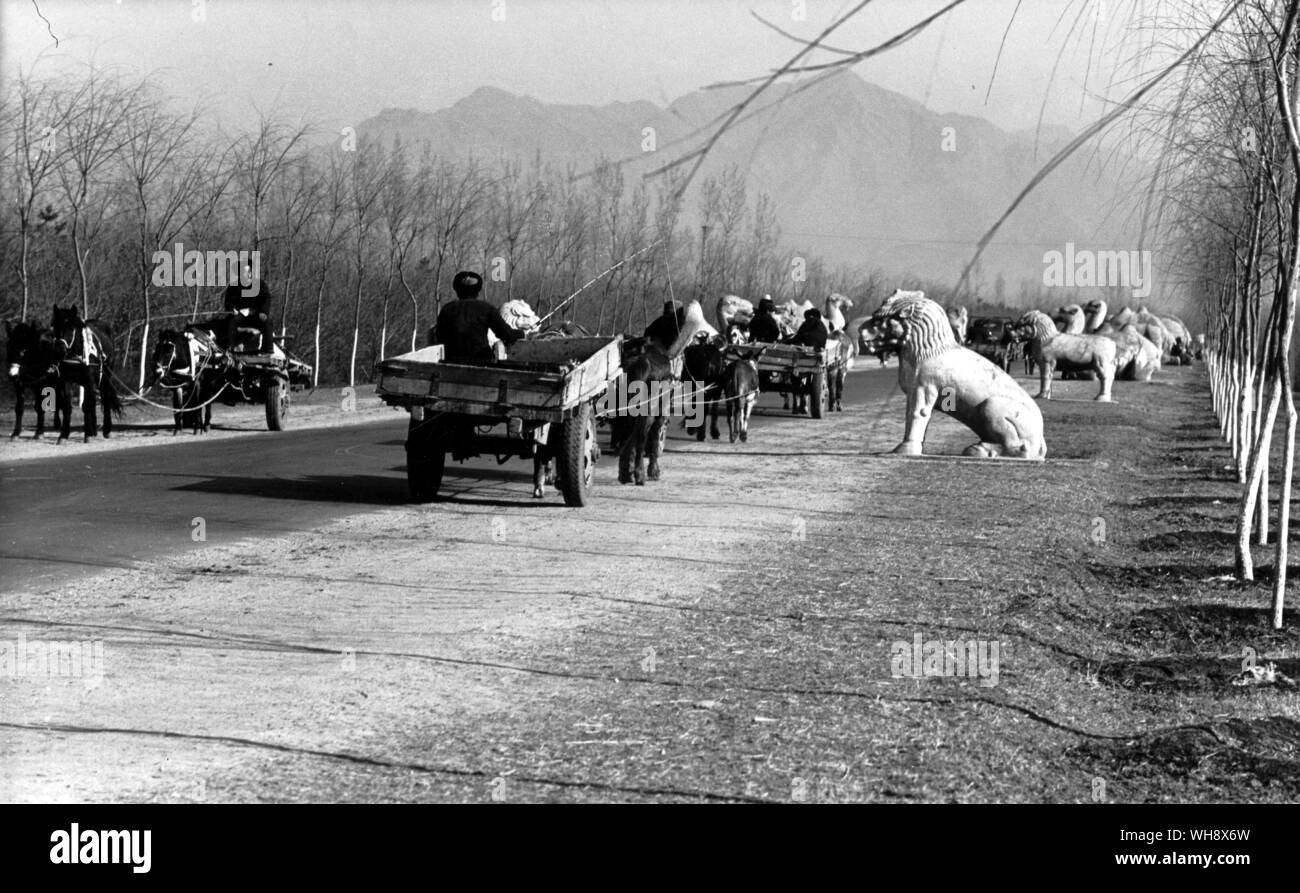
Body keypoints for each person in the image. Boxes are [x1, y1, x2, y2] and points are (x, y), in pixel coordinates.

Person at [430, 270, 525, 363]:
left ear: (457, 290)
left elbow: (440, 336)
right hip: (482, 362)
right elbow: (506, 334)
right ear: (477, 291)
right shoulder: (487, 308)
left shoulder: (447, 309)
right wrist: (523, 334)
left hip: (451, 362)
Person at [221, 262, 274, 352]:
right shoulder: (234, 286)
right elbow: (229, 301)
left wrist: (263, 311)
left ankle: (268, 349)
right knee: (231, 321)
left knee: (267, 321)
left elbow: (266, 299)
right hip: (240, 315)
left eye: (244, 272)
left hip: (256, 315)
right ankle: (231, 347)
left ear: (250, 273)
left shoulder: (260, 285)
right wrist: (232, 309)